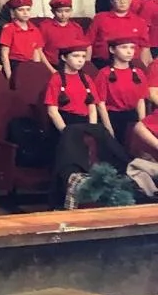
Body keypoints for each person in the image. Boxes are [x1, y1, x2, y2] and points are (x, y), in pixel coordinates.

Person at [46, 41, 132, 203]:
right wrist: (67, 133)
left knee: (106, 142)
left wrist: (91, 128)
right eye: (76, 56)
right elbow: (52, 110)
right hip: (66, 125)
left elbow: (92, 106)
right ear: (64, 58)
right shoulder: (56, 79)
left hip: (85, 123)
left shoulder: (86, 79)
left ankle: (123, 176)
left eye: (83, 56)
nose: (80, 60)